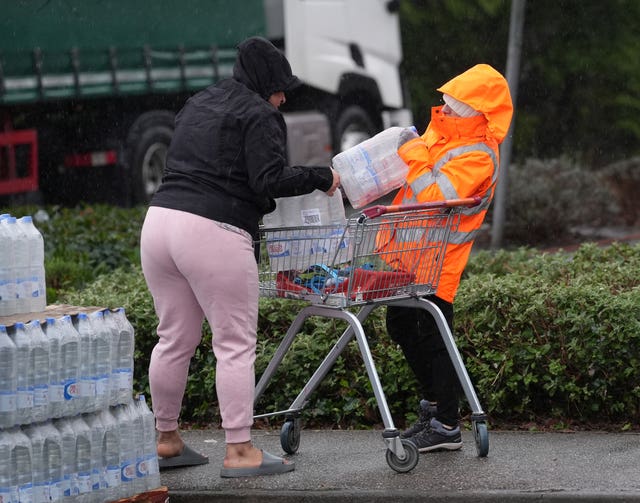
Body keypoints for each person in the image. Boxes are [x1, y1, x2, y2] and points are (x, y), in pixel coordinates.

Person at [139, 36, 340, 477]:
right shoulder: (260, 114)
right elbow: (268, 179)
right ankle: (239, 450)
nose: (284, 96)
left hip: (158, 224)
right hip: (212, 230)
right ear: (265, 83)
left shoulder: (199, 102)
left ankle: (166, 440)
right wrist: (320, 177)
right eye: (281, 87)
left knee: (173, 339)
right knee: (233, 344)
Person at [379, 64, 513, 452]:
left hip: (440, 260)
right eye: (446, 102)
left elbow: (436, 195)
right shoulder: (445, 133)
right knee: (402, 325)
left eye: (454, 105)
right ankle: (435, 407)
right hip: (412, 254)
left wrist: (413, 152)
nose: (444, 109)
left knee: (435, 337)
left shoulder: (478, 155)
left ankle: (446, 424)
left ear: (474, 112)